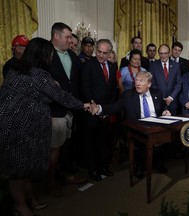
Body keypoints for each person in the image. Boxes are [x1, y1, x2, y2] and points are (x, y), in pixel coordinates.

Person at [0, 37, 92, 216]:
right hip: (19, 128)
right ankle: (20, 205)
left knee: (23, 168)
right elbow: (62, 97)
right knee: (19, 170)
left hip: (12, 124)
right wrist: (84, 105)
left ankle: (29, 199)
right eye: (50, 53)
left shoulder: (16, 70)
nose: (51, 56)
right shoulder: (39, 75)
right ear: (42, 55)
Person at [93, 71, 171, 178]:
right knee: (141, 141)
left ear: (149, 84)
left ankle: (157, 162)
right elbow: (114, 107)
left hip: (156, 127)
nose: (137, 84)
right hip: (138, 129)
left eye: (141, 81)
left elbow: (163, 107)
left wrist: (166, 111)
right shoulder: (128, 95)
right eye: (136, 80)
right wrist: (99, 108)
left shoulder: (157, 93)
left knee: (166, 136)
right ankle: (139, 165)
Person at [48, 22, 86, 197]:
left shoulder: (71, 54)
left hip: (72, 108)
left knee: (66, 145)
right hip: (54, 110)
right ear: (56, 36)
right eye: (67, 37)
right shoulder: (45, 54)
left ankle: (65, 174)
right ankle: (50, 181)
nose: (71, 40)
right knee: (53, 148)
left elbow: (79, 79)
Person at [80, 39, 118, 181]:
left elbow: (113, 90)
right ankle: (93, 170)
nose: (101, 55)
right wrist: (94, 108)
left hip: (106, 111)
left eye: (105, 53)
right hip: (92, 111)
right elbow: (85, 88)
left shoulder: (113, 67)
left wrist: (107, 109)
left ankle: (103, 167)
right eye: (99, 52)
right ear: (96, 50)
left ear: (110, 53)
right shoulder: (88, 66)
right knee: (92, 143)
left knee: (104, 142)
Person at [149, 44, 182, 115]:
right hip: (159, 101)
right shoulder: (153, 65)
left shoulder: (176, 65)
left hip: (173, 102)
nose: (163, 56)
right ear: (158, 53)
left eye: (165, 53)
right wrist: (161, 97)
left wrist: (171, 97)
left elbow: (178, 83)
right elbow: (152, 83)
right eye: (161, 53)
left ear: (169, 53)